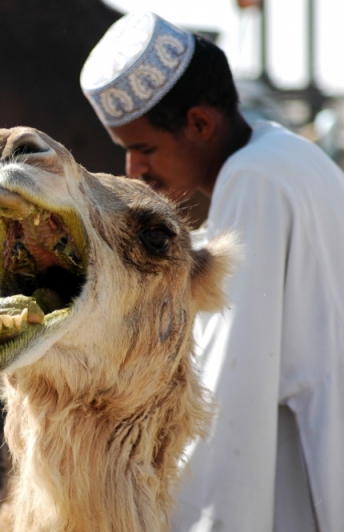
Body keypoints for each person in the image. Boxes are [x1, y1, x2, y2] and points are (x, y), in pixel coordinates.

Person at [80, 11, 344, 532]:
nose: (134, 170)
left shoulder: (255, 181)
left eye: (143, 148)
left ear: (199, 123)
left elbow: (232, 386)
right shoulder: (285, 153)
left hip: (300, 475)